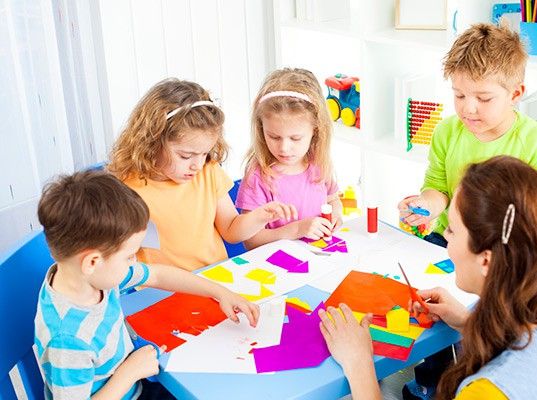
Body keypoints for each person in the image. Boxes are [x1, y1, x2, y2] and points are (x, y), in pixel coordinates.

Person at [319, 156, 537, 400]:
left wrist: (359, 363)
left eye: (451, 231)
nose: (446, 240)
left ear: (486, 260)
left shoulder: (489, 391)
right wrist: (468, 322)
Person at [35, 170, 260, 399]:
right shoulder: (67, 342)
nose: (134, 261)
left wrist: (220, 292)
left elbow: (156, 275)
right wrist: (129, 373)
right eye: (130, 255)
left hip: (136, 375)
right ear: (92, 261)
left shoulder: (90, 278)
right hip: (130, 383)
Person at [398, 23, 537, 249]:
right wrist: (427, 205)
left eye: (484, 98)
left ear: (515, 94)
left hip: (506, 247)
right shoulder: (446, 132)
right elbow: (438, 187)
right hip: (449, 240)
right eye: (459, 95)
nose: (468, 108)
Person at [108, 78, 296, 271]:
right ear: (152, 142)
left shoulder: (209, 172)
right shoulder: (126, 189)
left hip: (215, 277)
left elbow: (231, 229)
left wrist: (260, 217)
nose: (197, 165)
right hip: (162, 289)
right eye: (186, 155)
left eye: (205, 153)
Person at [235, 68, 343, 249]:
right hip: (277, 265)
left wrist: (336, 215)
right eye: (274, 137)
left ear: (316, 130)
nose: (284, 148)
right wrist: (295, 230)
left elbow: (333, 199)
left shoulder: (319, 162)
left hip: (319, 257)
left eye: (295, 138)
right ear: (261, 128)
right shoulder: (258, 176)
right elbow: (251, 241)